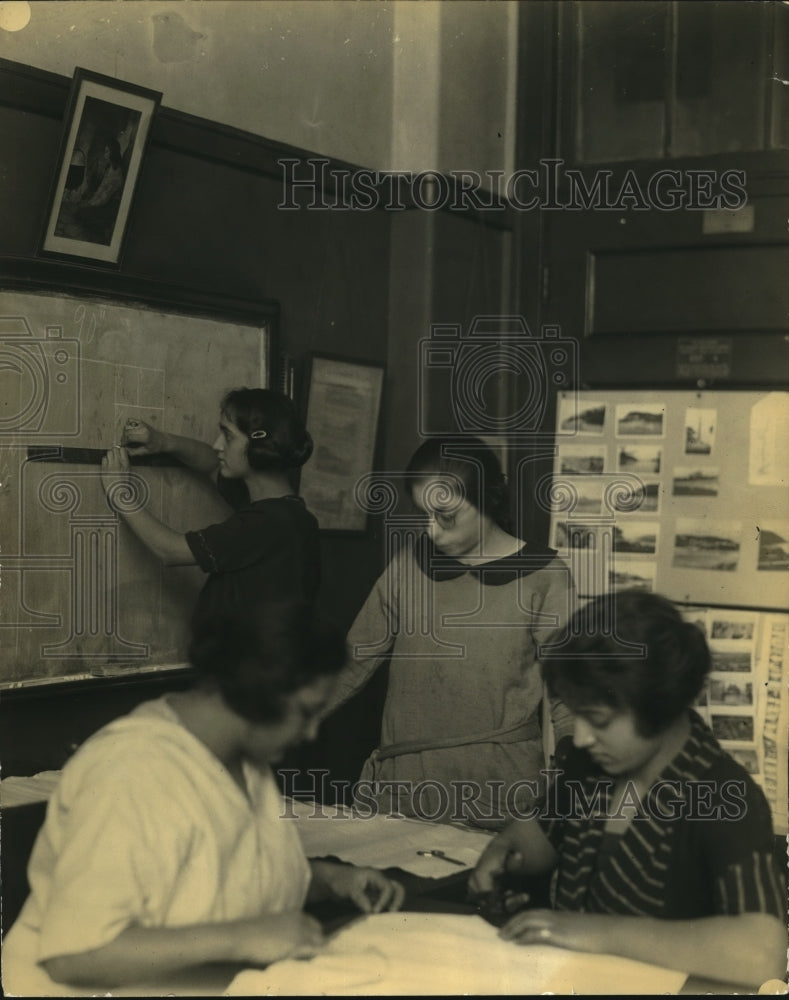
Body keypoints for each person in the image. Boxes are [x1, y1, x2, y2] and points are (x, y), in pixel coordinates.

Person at [1, 601, 405, 996]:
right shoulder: (133, 769)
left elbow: (220, 877)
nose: (312, 732)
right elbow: (74, 954)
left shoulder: (243, 759)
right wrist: (242, 938)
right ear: (258, 690)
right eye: (306, 712)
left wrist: (329, 880)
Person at [468, 590, 787, 988]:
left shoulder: (724, 794)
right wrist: (504, 853)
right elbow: (539, 835)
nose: (580, 737)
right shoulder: (591, 766)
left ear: (660, 706)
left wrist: (593, 932)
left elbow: (763, 953)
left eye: (598, 720)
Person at [323, 436, 576, 827]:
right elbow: (352, 662)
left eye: (446, 515)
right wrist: (283, 719)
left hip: (499, 790)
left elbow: (569, 690)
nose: (432, 532)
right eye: (423, 515)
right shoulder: (408, 566)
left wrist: (573, 763)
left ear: (487, 500)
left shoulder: (545, 576)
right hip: (405, 787)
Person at [101, 388, 320, 622]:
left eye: (228, 436)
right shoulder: (284, 511)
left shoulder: (270, 523)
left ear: (259, 445)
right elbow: (212, 464)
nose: (217, 445)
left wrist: (120, 493)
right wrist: (162, 441)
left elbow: (171, 551)